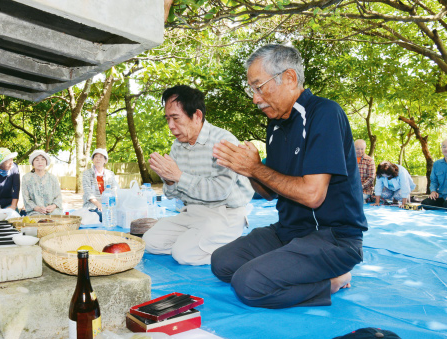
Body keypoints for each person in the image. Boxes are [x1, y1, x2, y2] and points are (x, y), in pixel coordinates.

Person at [210, 44, 367, 309]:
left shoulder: (324, 113)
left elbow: (312, 195)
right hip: (290, 232)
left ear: (290, 78)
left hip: (332, 238)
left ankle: (331, 282)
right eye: (252, 89)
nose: (255, 98)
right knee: (221, 263)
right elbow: (269, 191)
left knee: (248, 284)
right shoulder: (276, 124)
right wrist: (246, 169)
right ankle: (288, 264)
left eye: (259, 87)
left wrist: (255, 169)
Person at [144, 85, 254, 266]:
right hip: (193, 212)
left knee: (183, 254)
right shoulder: (177, 146)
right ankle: (202, 242)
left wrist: (179, 176)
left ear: (197, 116)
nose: (171, 126)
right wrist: (170, 180)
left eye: (176, 118)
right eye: (168, 119)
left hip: (225, 214)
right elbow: (172, 194)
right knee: (150, 242)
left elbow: (220, 192)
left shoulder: (223, 142)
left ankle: (233, 246)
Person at [21, 150, 63, 216]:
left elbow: (58, 197)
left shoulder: (53, 178)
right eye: (37, 160)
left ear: (46, 162)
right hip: (35, 212)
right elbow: (26, 199)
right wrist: (37, 208)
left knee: (57, 220)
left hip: (53, 211)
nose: (40, 162)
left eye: (43, 159)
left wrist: (53, 206)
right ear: (33, 163)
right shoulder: (26, 178)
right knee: (38, 220)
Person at [82, 148, 119, 222]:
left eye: (101, 157)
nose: (98, 159)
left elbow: (115, 189)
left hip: (108, 204)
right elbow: (88, 192)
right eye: (96, 156)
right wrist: (99, 204)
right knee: (100, 216)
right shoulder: (87, 173)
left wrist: (108, 205)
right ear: (92, 159)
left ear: (105, 160)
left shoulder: (110, 174)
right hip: (92, 205)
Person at [421, 139, 447, 209]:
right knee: (425, 204)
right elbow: (434, 181)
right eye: (444, 146)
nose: (445, 149)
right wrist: (433, 191)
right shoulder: (437, 164)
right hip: (441, 196)